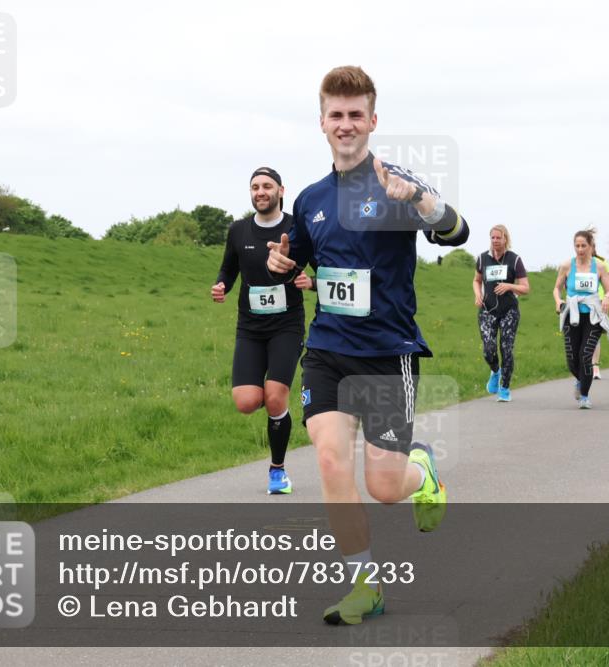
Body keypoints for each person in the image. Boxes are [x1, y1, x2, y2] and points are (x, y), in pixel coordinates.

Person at [266, 66, 470, 625]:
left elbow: (457, 232)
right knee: (331, 460)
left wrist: (424, 205)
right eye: (337, 115)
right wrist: (281, 263)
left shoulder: (394, 182)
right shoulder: (310, 198)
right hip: (328, 348)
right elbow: (298, 257)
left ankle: (422, 472)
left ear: (373, 121)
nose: (347, 124)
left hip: (387, 353)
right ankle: (366, 586)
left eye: (357, 115)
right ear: (323, 123)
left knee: (383, 486)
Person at [212, 167, 307, 495]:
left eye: (267, 186)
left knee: (275, 394)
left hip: (287, 324)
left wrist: (308, 279)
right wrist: (222, 284)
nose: (260, 191)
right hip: (250, 327)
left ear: (281, 190)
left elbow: (316, 261)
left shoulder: (296, 226)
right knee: (247, 401)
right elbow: (229, 266)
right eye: (255, 186)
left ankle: (277, 471)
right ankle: (279, 412)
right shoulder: (238, 230)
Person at [552, 229, 609, 409]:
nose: (580, 250)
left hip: (593, 315)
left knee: (585, 355)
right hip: (572, 315)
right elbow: (556, 288)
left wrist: (606, 298)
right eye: (577, 246)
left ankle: (585, 396)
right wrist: (558, 301)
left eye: (583, 246)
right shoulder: (566, 266)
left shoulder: (599, 266)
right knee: (572, 358)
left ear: (590, 246)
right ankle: (581, 381)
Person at [473, 225, 529, 402]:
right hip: (487, 310)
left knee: (506, 349)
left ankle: (504, 388)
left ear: (505, 239)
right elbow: (476, 280)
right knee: (488, 350)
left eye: (499, 238)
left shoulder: (514, 260)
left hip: (509, 311)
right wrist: (478, 294)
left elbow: (525, 288)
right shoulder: (482, 259)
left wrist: (510, 286)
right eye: (493, 238)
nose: (495, 241)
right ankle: (495, 371)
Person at [591, 257, 609, 378]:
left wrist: (602, 278)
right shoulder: (575, 262)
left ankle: (595, 368)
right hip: (580, 302)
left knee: (596, 334)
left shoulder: (600, 262)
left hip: (599, 299)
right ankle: (584, 366)